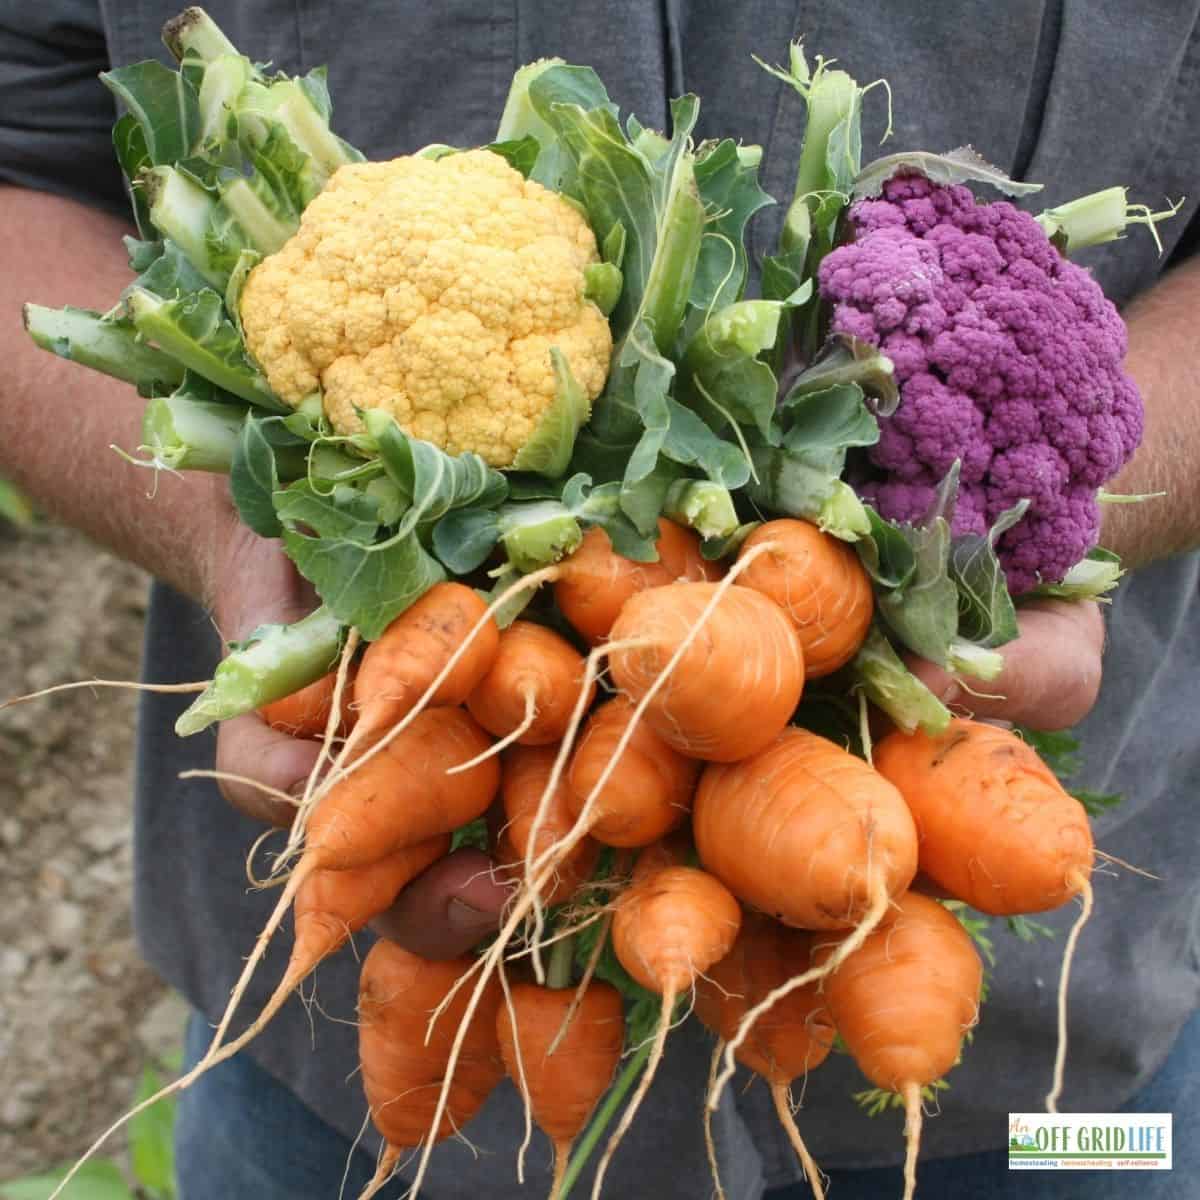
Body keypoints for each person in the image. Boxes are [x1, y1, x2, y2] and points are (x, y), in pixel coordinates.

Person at [2, 2, 1197, 1197]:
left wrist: (1045, 518)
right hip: (340, 1082)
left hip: (1054, 1108)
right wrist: (238, 546)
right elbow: (19, 159)